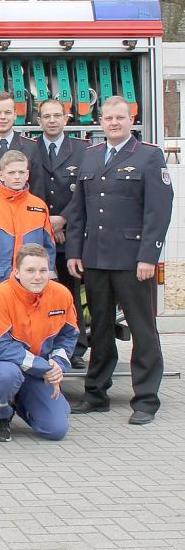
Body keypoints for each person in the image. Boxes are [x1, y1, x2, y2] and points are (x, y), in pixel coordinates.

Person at [66, 96, 174, 425]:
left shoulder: (148, 156)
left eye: (120, 118)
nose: (113, 123)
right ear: (100, 121)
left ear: (132, 119)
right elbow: (79, 209)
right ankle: (96, 393)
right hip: (96, 257)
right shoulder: (91, 155)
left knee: (143, 329)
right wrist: (73, 251)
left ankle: (145, 399)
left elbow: (159, 211)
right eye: (108, 118)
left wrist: (148, 257)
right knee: (98, 328)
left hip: (132, 260)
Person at [0, 244, 76, 442]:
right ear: (16, 272)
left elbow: (68, 336)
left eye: (43, 270)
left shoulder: (61, 295)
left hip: (36, 368)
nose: (38, 276)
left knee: (56, 430)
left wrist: (57, 365)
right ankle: (2, 416)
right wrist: (44, 367)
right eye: (30, 270)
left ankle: (24, 401)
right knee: (6, 375)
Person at [29, 99, 90, 367]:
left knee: (69, 292)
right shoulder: (30, 148)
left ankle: (76, 347)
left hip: (69, 233)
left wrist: (63, 219)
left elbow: (85, 190)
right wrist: (46, 222)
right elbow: (29, 186)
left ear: (67, 118)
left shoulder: (83, 149)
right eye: (46, 116)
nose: (52, 120)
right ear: (38, 120)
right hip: (39, 232)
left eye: (57, 116)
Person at [0, 151, 55, 294]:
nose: (17, 177)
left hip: (32, 282)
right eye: (11, 173)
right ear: (1, 175)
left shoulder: (39, 207)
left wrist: (48, 278)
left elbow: (49, 248)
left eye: (21, 172)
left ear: (27, 174)